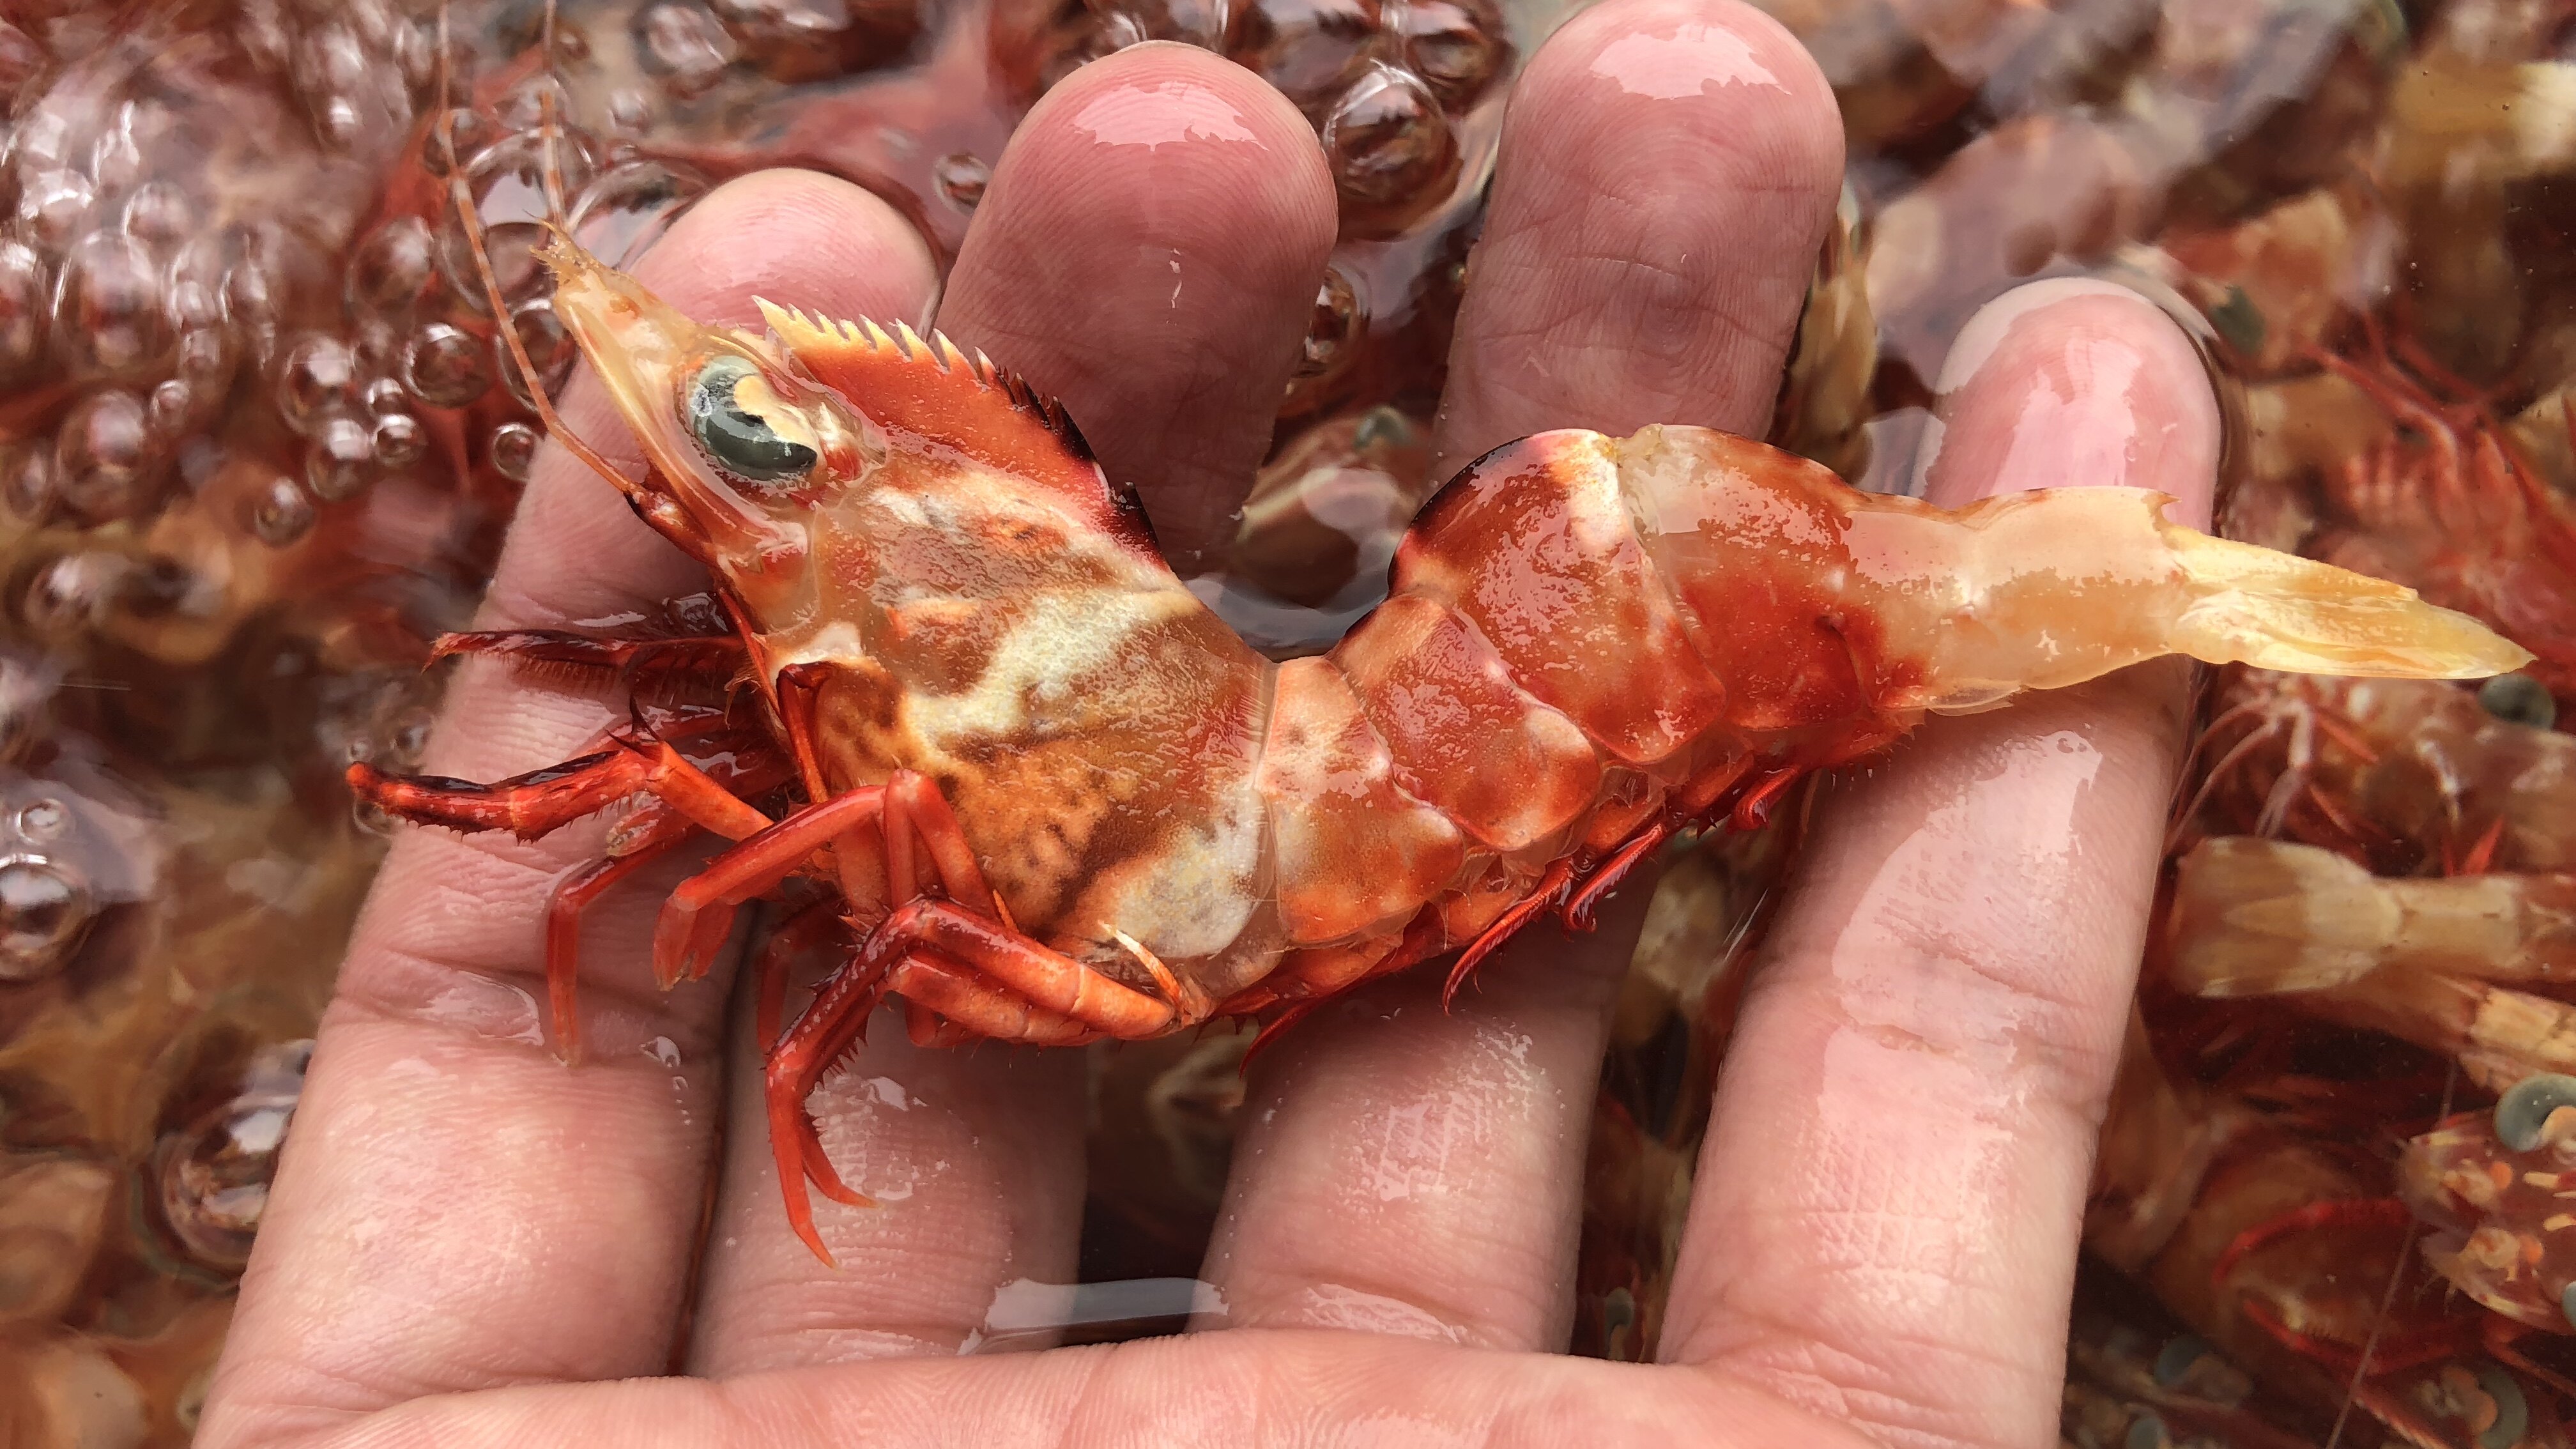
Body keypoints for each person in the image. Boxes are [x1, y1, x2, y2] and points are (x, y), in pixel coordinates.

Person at [197, 2, 2221, 1445]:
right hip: (1328, 778)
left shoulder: (942, 640)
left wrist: (653, 864)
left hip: (1347, 803)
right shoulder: (937, 583)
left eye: (758, 451)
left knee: (707, 793)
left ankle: (2018, 599)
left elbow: (866, 872)